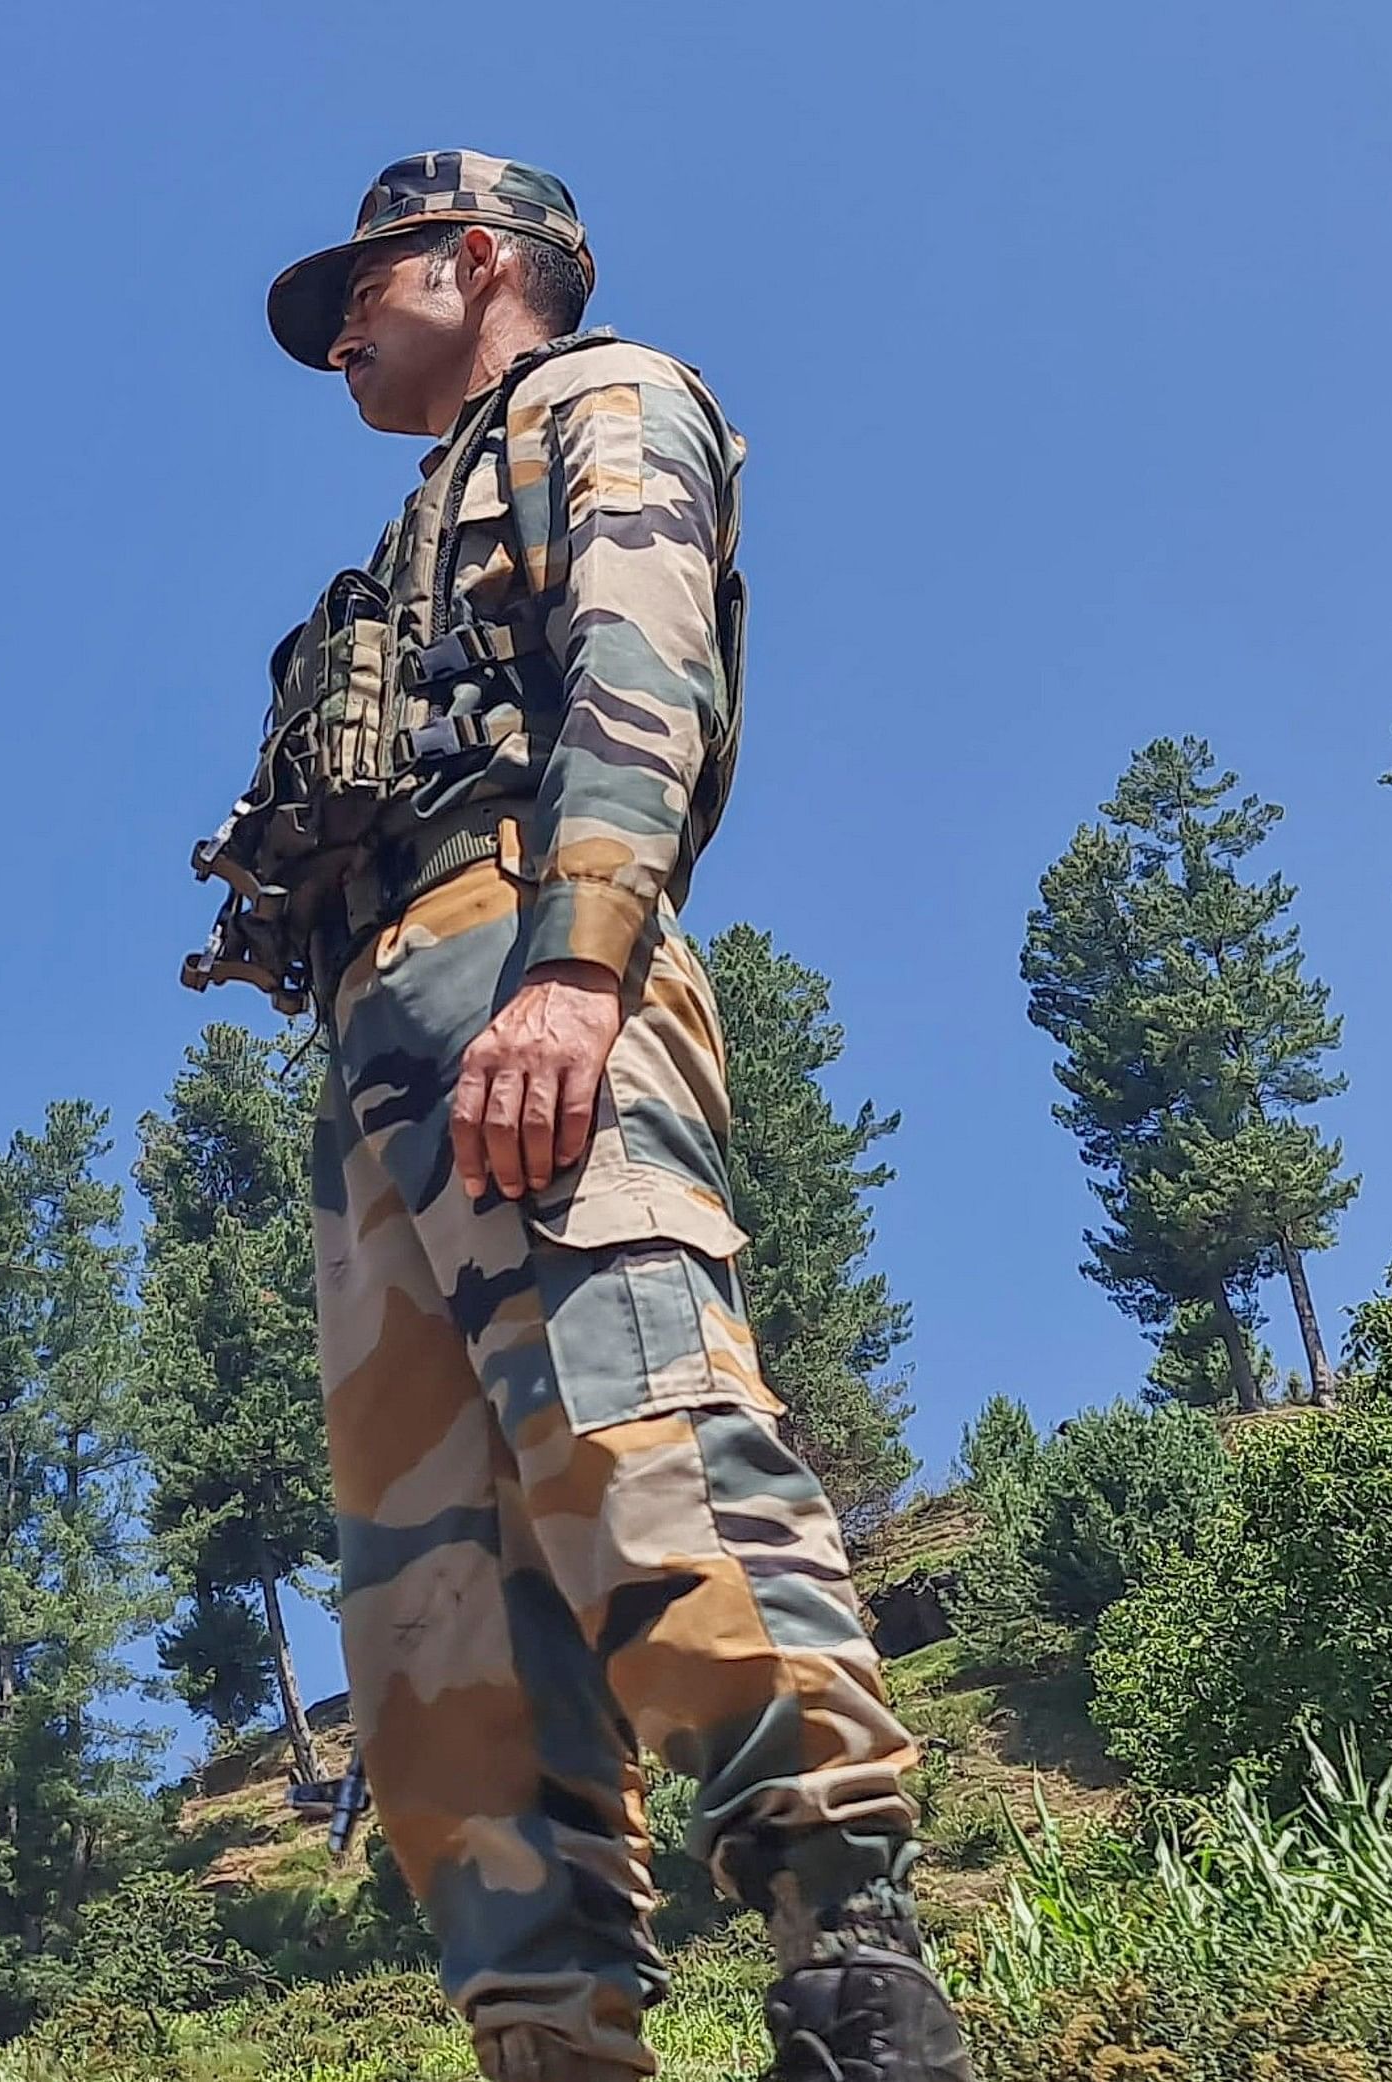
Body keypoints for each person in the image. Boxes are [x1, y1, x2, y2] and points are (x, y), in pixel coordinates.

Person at [180, 152, 970, 2082]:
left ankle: (848, 1970)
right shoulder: (412, 515)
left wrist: (577, 959)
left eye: (361, 283)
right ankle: (549, 2038)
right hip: (379, 1037)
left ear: (476, 259)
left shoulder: (601, 402)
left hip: (519, 950)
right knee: (438, 1600)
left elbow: (640, 667)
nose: (338, 330)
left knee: (639, 1434)